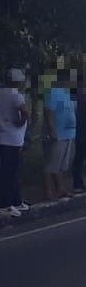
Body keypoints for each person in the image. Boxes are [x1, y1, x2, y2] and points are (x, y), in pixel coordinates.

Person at [0, 68, 31, 217]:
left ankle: (15, 200)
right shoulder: (15, 95)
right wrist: (21, 121)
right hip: (13, 139)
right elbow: (25, 111)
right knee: (10, 173)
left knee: (8, 172)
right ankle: (6, 204)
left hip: (3, 137)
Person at [43, 68, 76, 200]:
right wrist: (52, 131)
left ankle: (60, 188)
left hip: (69, 134)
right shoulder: (53, 92)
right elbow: (49, 112)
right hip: (58, 134)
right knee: (52, 164)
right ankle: (49, 191)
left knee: (62, 165)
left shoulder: (67, 93)